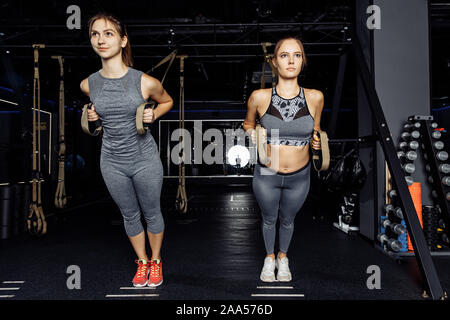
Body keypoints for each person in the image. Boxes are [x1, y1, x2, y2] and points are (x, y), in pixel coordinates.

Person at [80, 13, 173, 287]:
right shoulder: (89, 85)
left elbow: (166, 101)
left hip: (144, 158)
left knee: (152, 212)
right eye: (95, 34)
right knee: (129, 214)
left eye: (108, 33)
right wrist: (93, 122)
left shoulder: (144, 81)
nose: (100, 39)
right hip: (111, 161)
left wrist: (153, 115)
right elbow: (98, 124)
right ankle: (142, 262)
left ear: (123, 41)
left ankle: (156, 261)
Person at [243, 36, 323, 282]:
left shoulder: (315, 97)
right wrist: (254, 133)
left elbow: (316, 131)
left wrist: (317, 141)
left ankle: (283, 257)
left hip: (300, 175)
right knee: (269, 218)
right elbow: (247, 125)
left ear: (303, 61)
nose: (291, 60)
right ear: (274, 62)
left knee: (287, 219)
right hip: (267, 172)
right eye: (284, 55)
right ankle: (269, 258)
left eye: (297, 55)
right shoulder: (259, 97)